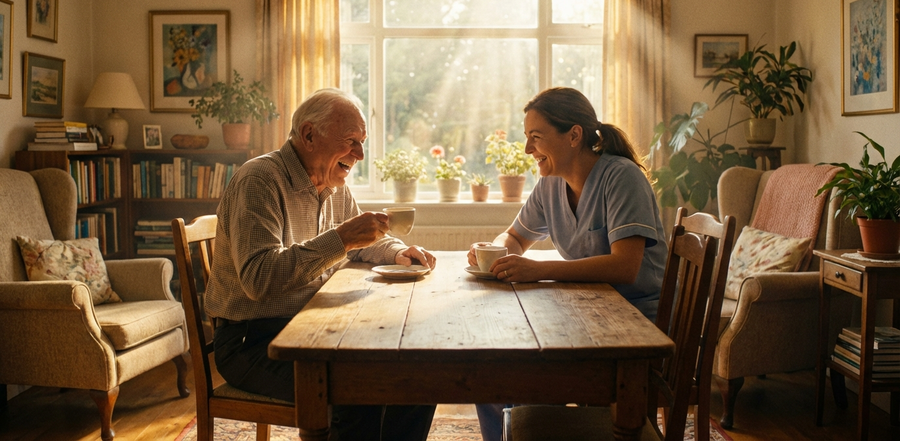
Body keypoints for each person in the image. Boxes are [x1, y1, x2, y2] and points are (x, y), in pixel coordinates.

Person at [204, 88, 437, 441]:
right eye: (351, 141)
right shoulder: (260, 180)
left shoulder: (333, 182)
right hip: (252, 340)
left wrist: (398, 252)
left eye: (362, 142)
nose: (359, 154)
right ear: (309, 135)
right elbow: (259, 277)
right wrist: (341, 239)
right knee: (358, 391)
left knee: (416, 377)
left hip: (313, 329)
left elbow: (363, 240)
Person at [469, 87, 667, 441]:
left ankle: (539, 423)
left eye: (536, 137)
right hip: (588, 320)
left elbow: (625, 267)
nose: (528, 150)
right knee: (490, 377)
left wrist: (539, 271)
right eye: (526, 138)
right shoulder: (551, 185)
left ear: (574, 135)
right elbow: (514, 237)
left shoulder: (621, 178)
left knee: (514, 380)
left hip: (634, 331)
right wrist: (494, 251)